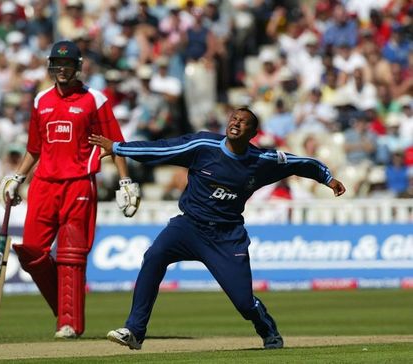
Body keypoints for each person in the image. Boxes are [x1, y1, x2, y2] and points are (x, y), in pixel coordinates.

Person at [88, 106, 346, 350]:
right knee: (154, 256)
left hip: (226, 237)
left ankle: (268, 331)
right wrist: (119, 148)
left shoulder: (262, 160)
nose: (237, 123)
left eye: (244, 122)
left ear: (253, 133)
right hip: (188, 226)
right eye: (234, 118)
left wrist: (328, 178)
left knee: (245, 303)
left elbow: (301, 163)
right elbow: (161, 149)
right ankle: (134, 331)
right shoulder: (203, 145)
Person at [0, 40, 141, 339]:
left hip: (79, 182)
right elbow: (34, 148)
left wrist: (125, 181)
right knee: (32, 253)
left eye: (67, 64)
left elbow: (115, 144)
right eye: (56, 64)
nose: (61, 69)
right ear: (51, 67)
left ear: (77, 67)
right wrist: (17, 177)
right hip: (43, 185)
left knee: (71, 256)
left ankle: (69, 323)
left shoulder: (95, 100)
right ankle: (65, 309)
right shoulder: (41, 100)